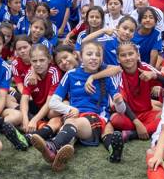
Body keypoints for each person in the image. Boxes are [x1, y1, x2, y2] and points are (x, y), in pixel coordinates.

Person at [29, 42, 122, 170]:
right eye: (89, 54)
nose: (94, 57)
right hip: (74, 116)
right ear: (80, 56)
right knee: (68, 127)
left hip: (95, 120)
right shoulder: (71, 74)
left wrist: (119, 102)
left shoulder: (106, 77)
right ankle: (54, 157)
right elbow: (53, 102)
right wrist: (70, 109)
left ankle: (51, 146)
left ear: (101, 58)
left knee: (71, 122)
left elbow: (121, 109)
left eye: (97, 55)